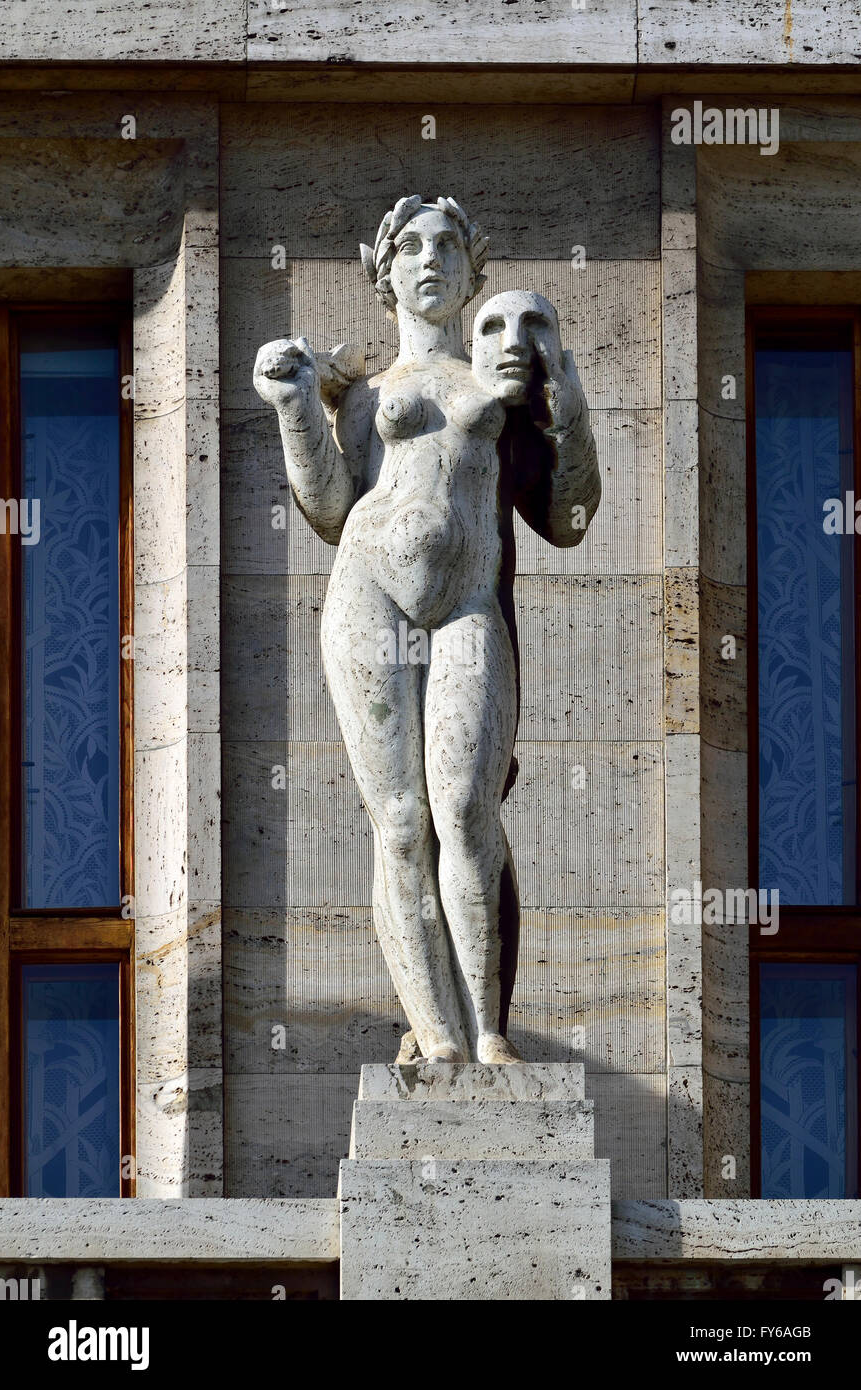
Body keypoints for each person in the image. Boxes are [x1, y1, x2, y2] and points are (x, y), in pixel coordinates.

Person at [253, 196, 600, 1063]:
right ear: (386, 270)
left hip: (465, 603)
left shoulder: (501, 373)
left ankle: (490, 1030)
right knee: (401, 820)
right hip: (368, 593)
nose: (430, 259)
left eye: (448, 244)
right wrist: (295, 403)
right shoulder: (367, 391)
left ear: (472, 267)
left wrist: (572, 415)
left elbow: (569, 520)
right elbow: (331, 508)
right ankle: (438, 1035)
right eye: (410, 247)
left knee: (464, 808)